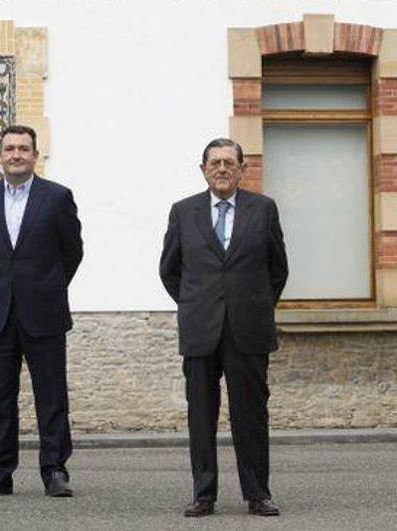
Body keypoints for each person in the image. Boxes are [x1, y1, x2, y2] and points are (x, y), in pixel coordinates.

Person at [158, 138, 288, 518]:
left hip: (248, 329)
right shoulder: (183, 212)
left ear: (242, 169)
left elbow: (278, 269)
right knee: (201, 415)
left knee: (251, 415)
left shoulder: (263, 210)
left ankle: (257, 494)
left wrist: (254, 304)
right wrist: (196, 303)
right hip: (201, 329)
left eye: (230, 162)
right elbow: (170, 270)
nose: (222, 169)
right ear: (203, 169)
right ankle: (204, 494)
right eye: (214, 162)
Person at [0, 125, 83, 498]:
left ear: (35, 155)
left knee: (51, 395)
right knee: (0, 396)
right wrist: (4, 285)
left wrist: (46, 285)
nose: (16, 155)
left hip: (44, 310)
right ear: (0, 154)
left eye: (23, 149)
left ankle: (54, 470)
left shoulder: (58, 197)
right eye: (10, 148)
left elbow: (72, 252)